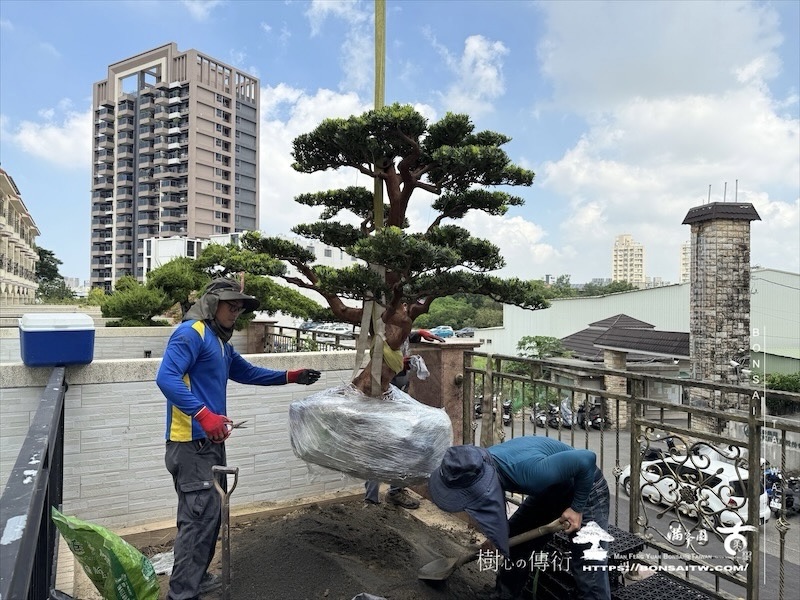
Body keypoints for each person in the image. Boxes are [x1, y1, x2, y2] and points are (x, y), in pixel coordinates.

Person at [156, 278, 321, 600]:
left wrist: (290, 376)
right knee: (198, 518)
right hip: (190, 445)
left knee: (208, 517)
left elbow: (247, 372)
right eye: (231, 306)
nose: (236, 312)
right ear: (211, 304)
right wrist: (203, 414)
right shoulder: (190, 333)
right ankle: (181, 594)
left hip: (210, 443)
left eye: (239, 308)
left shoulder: (220, 343)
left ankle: (197, 579)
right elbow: (166, 378)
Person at [428, 437, 611, 600]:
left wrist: (576, 508)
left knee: (590, 568)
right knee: (516, 542)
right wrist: (497, 538)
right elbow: (493, 505)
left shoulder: (529, 474)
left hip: (587, 489)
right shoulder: (480, 465)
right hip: (554, 488)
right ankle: (505, 594)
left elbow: (587, 459)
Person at [364, 327, 445, 509]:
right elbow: (379, 364)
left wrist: (419, 333)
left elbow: (405, 335)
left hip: (400, 396)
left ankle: (395, 491)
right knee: (378, 447)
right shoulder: (382, 336)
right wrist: (400, 364)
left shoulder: (401, 330)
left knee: (403, 444)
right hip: (382, 398)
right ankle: (371, 499)